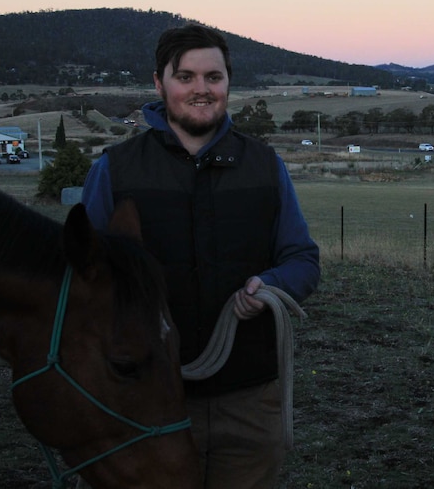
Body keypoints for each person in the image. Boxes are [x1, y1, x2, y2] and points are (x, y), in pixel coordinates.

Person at [82, 24, 320, 488]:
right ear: (159, 83)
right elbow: (82, 277)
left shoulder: (265, 166)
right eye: (185, 77)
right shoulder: (115, 169)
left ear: (228, 83)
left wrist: (272, 284)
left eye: (213, 77)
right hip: (148, 397)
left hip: (250, 399)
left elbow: (302, 259)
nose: (201, 90)